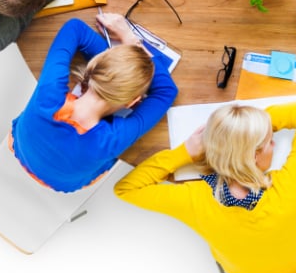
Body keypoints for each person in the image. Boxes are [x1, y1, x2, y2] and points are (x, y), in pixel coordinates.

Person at [114, 99, 296, 273]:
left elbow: (127, 189)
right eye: (269, 141)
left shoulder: (194, 200)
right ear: (253, 155)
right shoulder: (287, 188)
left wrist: (185, 151)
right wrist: (255, 126)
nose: (273, 144)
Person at [10, 15, 178, 192]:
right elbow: (166, 91)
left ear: (94, 64)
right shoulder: (110, 140)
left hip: (21, 148)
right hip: (63, 182)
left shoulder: (49, 93)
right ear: (132, 102)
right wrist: (129, 48)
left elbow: (74, 28)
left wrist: (118, 55)